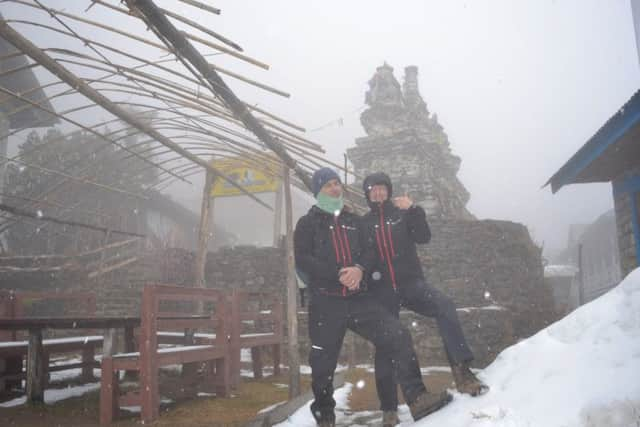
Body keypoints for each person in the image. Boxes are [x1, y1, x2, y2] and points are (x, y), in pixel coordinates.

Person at [294, 167, 452, 427]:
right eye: (328, 185)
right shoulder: (308, 223)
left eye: (336, 183)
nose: (335, 188)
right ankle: (325, 414)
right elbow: (303, 259)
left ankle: (417, 397)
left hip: (359, 299)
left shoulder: (353, 221)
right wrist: (337, 273)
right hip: (326, 302)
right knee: (322, 364)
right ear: (318, 191)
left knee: (398, 335)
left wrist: (359, 269)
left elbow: (370, 251)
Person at [361, 172, 489, 427]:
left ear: (388, 191)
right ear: (367, 194)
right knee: (386, 344)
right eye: (372, 189)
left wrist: (414, 210)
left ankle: (462, 372)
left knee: (444, 305)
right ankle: (389, 409)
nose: (377, 192)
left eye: (381, 188)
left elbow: (423, 236)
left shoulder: (402, 214)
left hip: (411, 284)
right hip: (383, 291)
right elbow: (361, 257)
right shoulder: (363, 223)